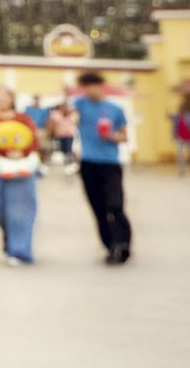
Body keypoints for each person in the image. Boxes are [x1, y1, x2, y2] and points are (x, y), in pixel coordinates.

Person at [72, 71, 133, 265]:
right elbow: (64, 113)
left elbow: (124, 136)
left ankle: (123, 243)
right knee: (98, 208)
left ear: (101, 86)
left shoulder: (114, 109)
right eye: (86, 86)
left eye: (94, 85)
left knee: (115, 205)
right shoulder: (80, 105)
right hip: (88, 163)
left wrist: (112, 137)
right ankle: (109, 246)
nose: (90, 90)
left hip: (110, 163)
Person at [0, 86, 41, 266]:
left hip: (21, 170)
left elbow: (34, 140)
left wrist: (21, 152)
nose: (3, 99)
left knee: (21, 211)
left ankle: (19, 251)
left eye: (7, 96)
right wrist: (6, 152)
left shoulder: (23, 119)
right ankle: (10, 234)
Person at [48, 97, 80, 175]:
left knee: (69, 149)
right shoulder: (55, 114)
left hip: (70, 135)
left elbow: (77, 123)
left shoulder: (73, 114)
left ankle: (70, 164)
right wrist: (51, 133)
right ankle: (67, 164)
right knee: (63, 150)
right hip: (59, 135)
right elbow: (51, 125)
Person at [172, 107, 190, 177]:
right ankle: (181, 170)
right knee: (180, 154)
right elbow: (169, 116)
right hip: (180, 137)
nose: (180, 110)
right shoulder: (176, 117)